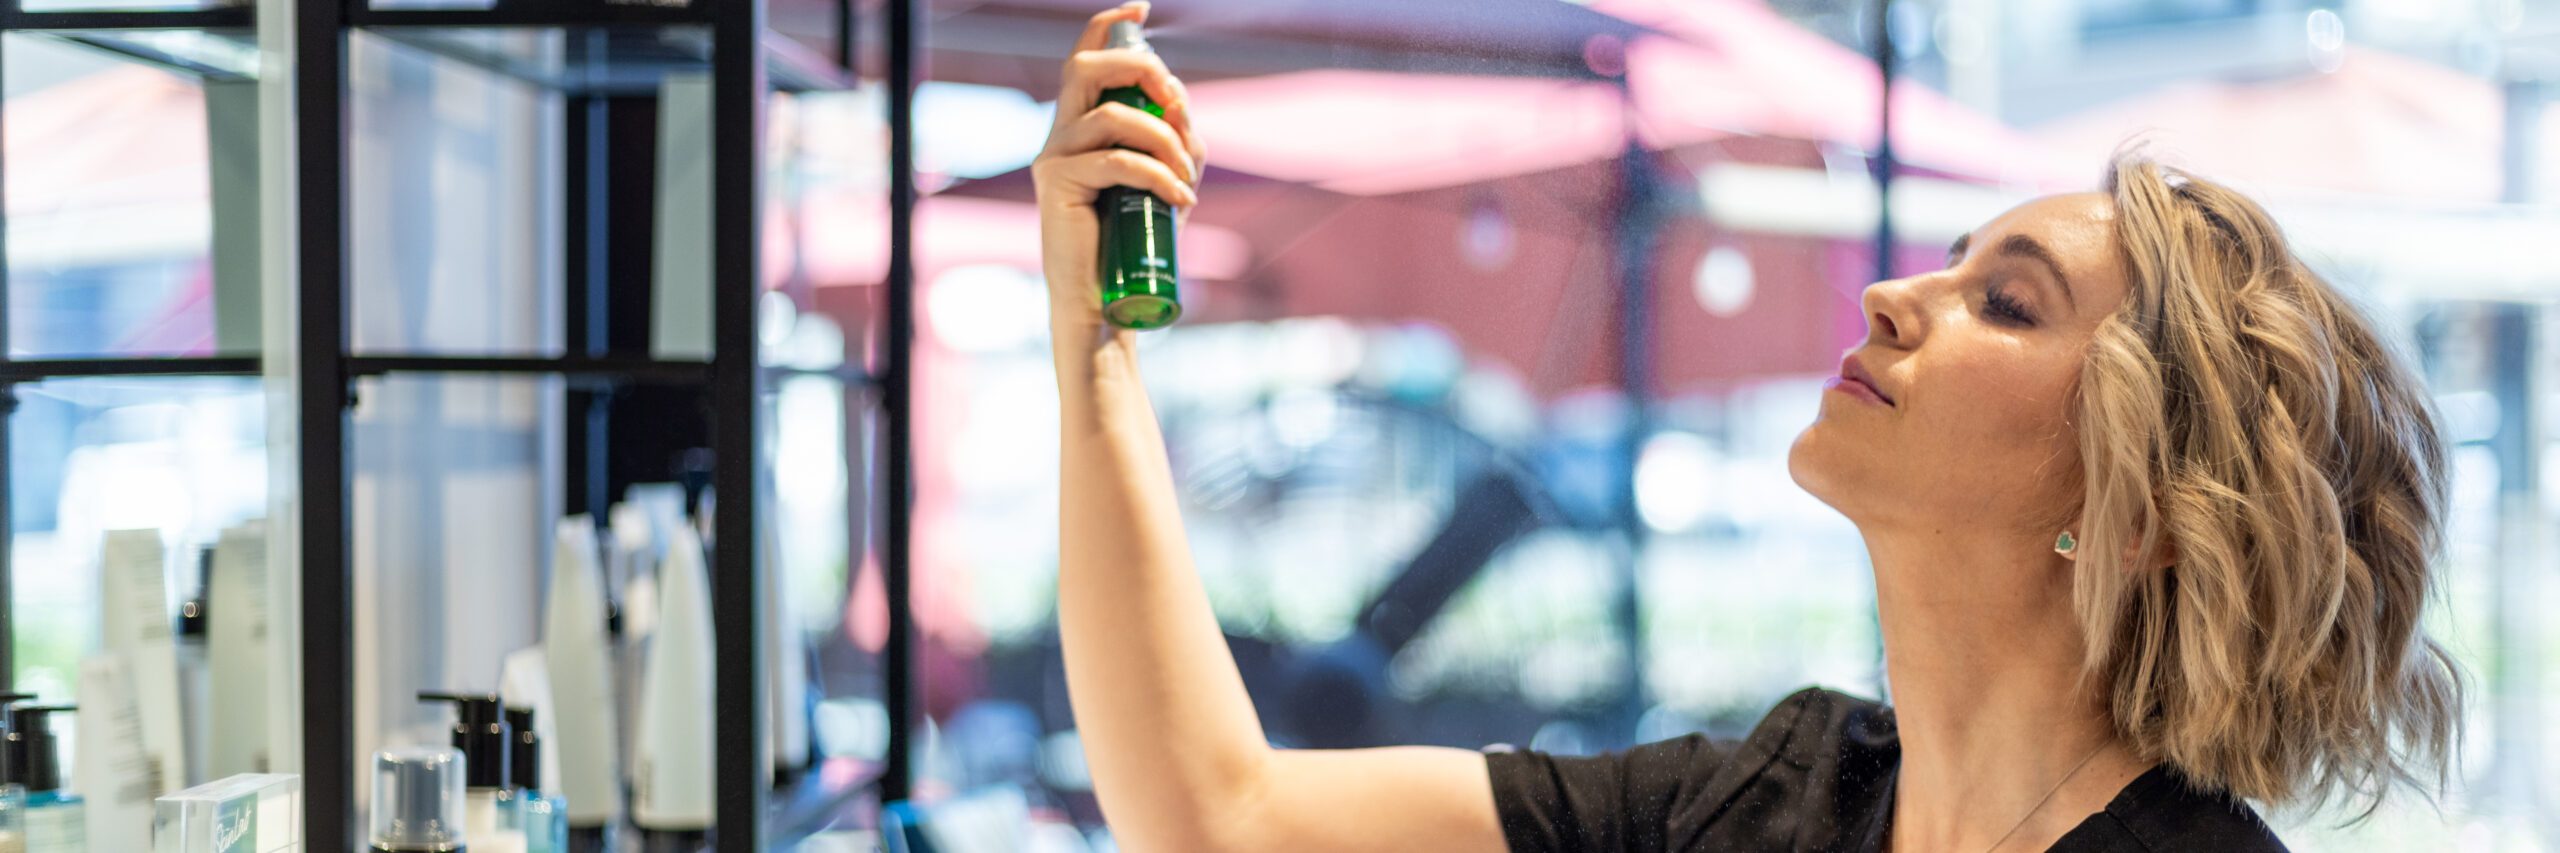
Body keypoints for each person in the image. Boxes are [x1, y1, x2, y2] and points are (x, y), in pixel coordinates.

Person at [1031, 4, 2464, 850]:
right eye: (1952, 263)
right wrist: (1087, 333)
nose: (1901, 295)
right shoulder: (1779, 799)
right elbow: (1215, 808)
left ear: (2143, 507)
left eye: (2006, 305)